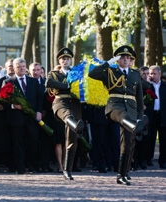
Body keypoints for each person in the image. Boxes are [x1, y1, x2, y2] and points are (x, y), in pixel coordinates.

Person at [89, 45, 147, 185]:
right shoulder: (110, 71)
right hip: (115, 106)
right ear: (118, 59)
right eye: (122, 57)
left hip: (131, 109)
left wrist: (140, 115)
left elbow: (139, 97)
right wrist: (109, 62)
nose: (126, 60)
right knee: (123, 117)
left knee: (128, 144)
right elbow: (93, 73)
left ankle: (122, 174)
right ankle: (137, 125)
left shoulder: (135, 74)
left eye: (128, 58)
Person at [45, 47, 84, 180]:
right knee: (67, 115)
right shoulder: (54, 73)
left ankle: (67, 169)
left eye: (67, 58)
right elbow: (49, 82)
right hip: (60, 102)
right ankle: (74, 123)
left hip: (75, 104)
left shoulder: (77, 73)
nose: (65, 60)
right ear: (59, 60)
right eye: (62, 58)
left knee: (72, 139)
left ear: (70, 60)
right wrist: (68, 86)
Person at [3, 58, 43, 174]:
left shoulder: (33, 81)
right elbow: (4, 101)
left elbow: (39, 98)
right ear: (14, 68)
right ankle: (20, 167)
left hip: (31, 117)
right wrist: (13, 106)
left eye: (23, 66)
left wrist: (39, 111)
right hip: (16, 118)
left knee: (33, 142)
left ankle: (32, 166)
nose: (21, 69)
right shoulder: (9, 82)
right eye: (19, 67)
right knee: (18, 143)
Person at [146, 65, 166, 169]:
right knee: (150, 137)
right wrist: (148, 85)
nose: (152, 76)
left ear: (159, 74)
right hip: (151, 114)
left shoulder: (164, 86)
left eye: (154, 73)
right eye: (150, 73)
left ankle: (163, 161)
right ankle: (148, 159)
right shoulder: (148, 86)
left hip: (162, 115)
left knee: (163, 139)